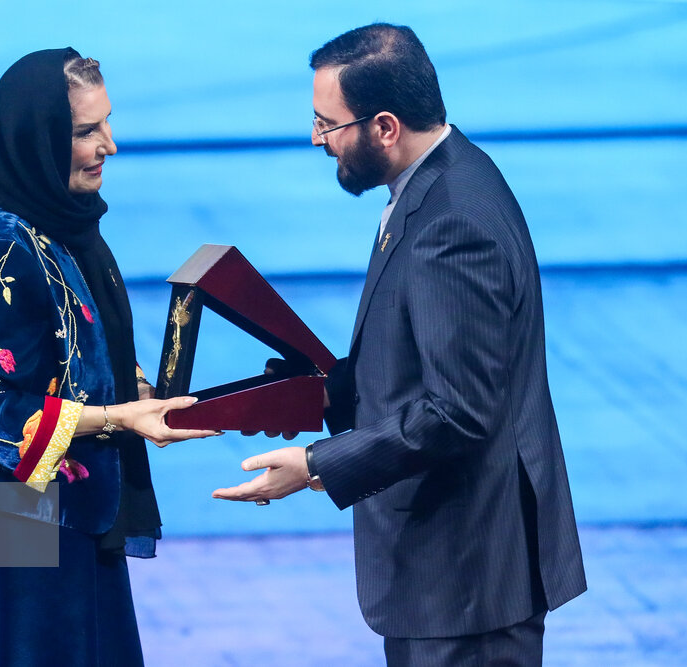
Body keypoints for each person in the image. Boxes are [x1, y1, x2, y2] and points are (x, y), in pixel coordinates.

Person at [213, 24, 586, 665]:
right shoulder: (439, 182)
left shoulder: (454, 224)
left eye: (329, 124)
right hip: (455, 578)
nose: (316, 139)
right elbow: (417, 356)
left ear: (385, 127)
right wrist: (309, 395)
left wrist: (316, 466)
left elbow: (459, 411)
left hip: (467, 585)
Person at [0, 48, 217, 666]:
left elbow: (68, 351)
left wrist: (133, 393)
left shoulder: (60, 223)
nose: (108, 145)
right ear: (39, 139)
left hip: (61, 520)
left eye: (106, 123)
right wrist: (117, 419)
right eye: (86, 131)